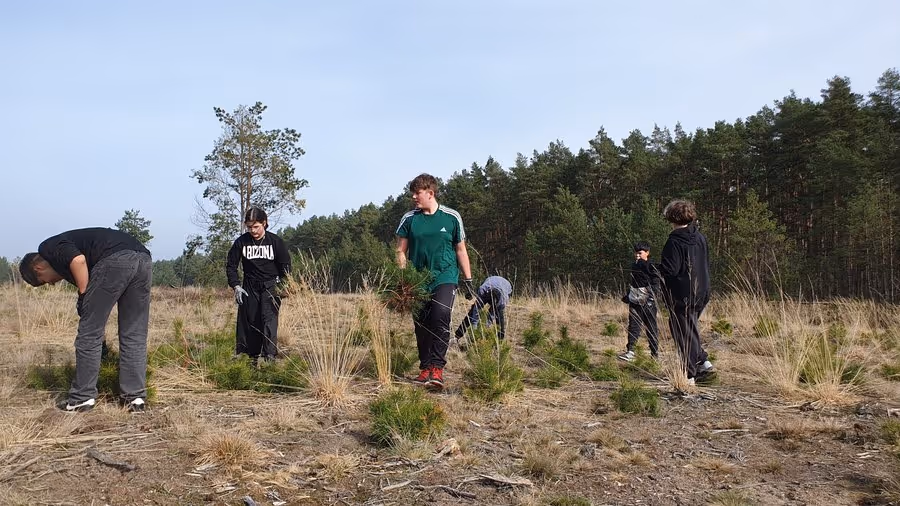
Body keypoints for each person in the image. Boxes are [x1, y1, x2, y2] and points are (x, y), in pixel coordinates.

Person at [19, 228, 152, 412]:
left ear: (38, 268)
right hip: (143, 259)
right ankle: (135, 397)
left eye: (43, 281)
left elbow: (78, 260)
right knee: (134, 333)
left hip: (115, 258)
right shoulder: (69, 262)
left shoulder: (48, 247)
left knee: (88, 334)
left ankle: (82, 398)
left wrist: (83, 296)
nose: (51, 283)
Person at [395, 173, 474, 390]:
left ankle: (437, 369)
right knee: (421, 324)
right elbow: (401, 251)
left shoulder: (451, 217)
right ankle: (425, 368)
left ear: (430, 193)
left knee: (440, 315)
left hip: (445, 276)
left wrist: (468, 279)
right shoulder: (410, 219)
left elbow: (461, 250)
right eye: (412, 192)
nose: (413, 197)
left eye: (417, 192)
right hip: (417, 279)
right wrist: (404, 278)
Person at [658, 200, 714, 384]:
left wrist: (650, 269)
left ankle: (690, 374)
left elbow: (670, 270)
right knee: (689, 329)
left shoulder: (674, 241)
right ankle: (704, 362)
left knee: (682, 332)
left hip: (683, 294)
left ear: (671, 217)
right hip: (702, 291)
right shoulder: (700, 238)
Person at [226, 207, 292, 366]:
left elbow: (286, 266)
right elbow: (231, 265)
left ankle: (270, 360)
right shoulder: (241, 242)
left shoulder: (275, 242)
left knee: (269, 322)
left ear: (264, 223)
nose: (253, 230)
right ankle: (250, 361)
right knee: (251, 323)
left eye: (256, 226)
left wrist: (284, 285)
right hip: (249, 286)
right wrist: (235, 285)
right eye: (249, 227)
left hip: (271, 285)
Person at [617, 241, 660, 362]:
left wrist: (652, 298)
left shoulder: (651, 266)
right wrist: (628, 295)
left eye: (640, 253)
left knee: (651, 328)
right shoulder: (634, 265)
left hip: (648, 303)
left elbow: (656, 283)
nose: (637, 255)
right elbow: (635, 283)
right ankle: (630, 352)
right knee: (633, 326)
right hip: (635, 302)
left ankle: (654, 354)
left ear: (647, 253)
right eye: (636, 253)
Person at [454, 275, 513, 342]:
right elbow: (476, 311)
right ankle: (457, 336)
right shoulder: (483, 290)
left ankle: (500, 341)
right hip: (490, 282)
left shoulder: (503, 300)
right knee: (472, 312)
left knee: (499, 318)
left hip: (506, 285)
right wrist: (475, 329)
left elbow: (491, 316)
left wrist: (485, 328)